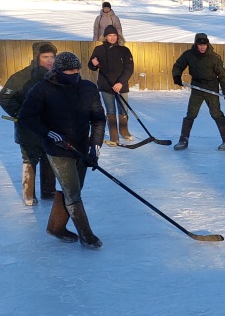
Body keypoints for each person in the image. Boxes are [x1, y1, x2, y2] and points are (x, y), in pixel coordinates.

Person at [17, 51, 107, 249]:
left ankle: (56, 227)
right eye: (69, 70)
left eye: (77, 70)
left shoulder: (88, 88)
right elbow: (26, 117)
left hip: (82, 148)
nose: (74, 73)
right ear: (58, 70)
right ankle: (87, 236)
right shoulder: (42, 89)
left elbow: (98, 119)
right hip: (59, 149)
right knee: (73, 193)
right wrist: (49, 134)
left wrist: (95, 146)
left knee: (71, 190)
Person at [0, 41, 58, 206]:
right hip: (28, 129)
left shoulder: (58, 76)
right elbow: (5, 97)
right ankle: (28, 195)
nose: (49, 60)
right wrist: (21, 114)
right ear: (37, 57)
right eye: (45, 56)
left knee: (49, 159)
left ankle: (49, 192)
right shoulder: (21, 77)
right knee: (30, 159)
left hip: (50, 128)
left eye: (52, 57)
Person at [171, 32, 225, 151]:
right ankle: (183, 141)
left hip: (211, 88)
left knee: (216, 113)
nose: (202, 47)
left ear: (207, 44)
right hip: (196, 87)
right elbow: (178, 66)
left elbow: (222, 76)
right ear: (196, 44)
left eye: (204, 44)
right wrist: (177, 76)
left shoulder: (214, 57)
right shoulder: (189, 55)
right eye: (200, 45)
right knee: (191, 113)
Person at [88, 24, 135, 146]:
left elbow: (129, 69)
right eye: (110, 35)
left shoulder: (124, 50)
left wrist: (121, 82)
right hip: (105, 86)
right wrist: (93, 63)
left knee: (123, 110)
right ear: (105, 37)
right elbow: (91, 66)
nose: (113, 38)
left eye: (114, 35)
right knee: (110, 111)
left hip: (121, 86)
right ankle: (114, 136)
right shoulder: (99, 50)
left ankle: (124, 131)